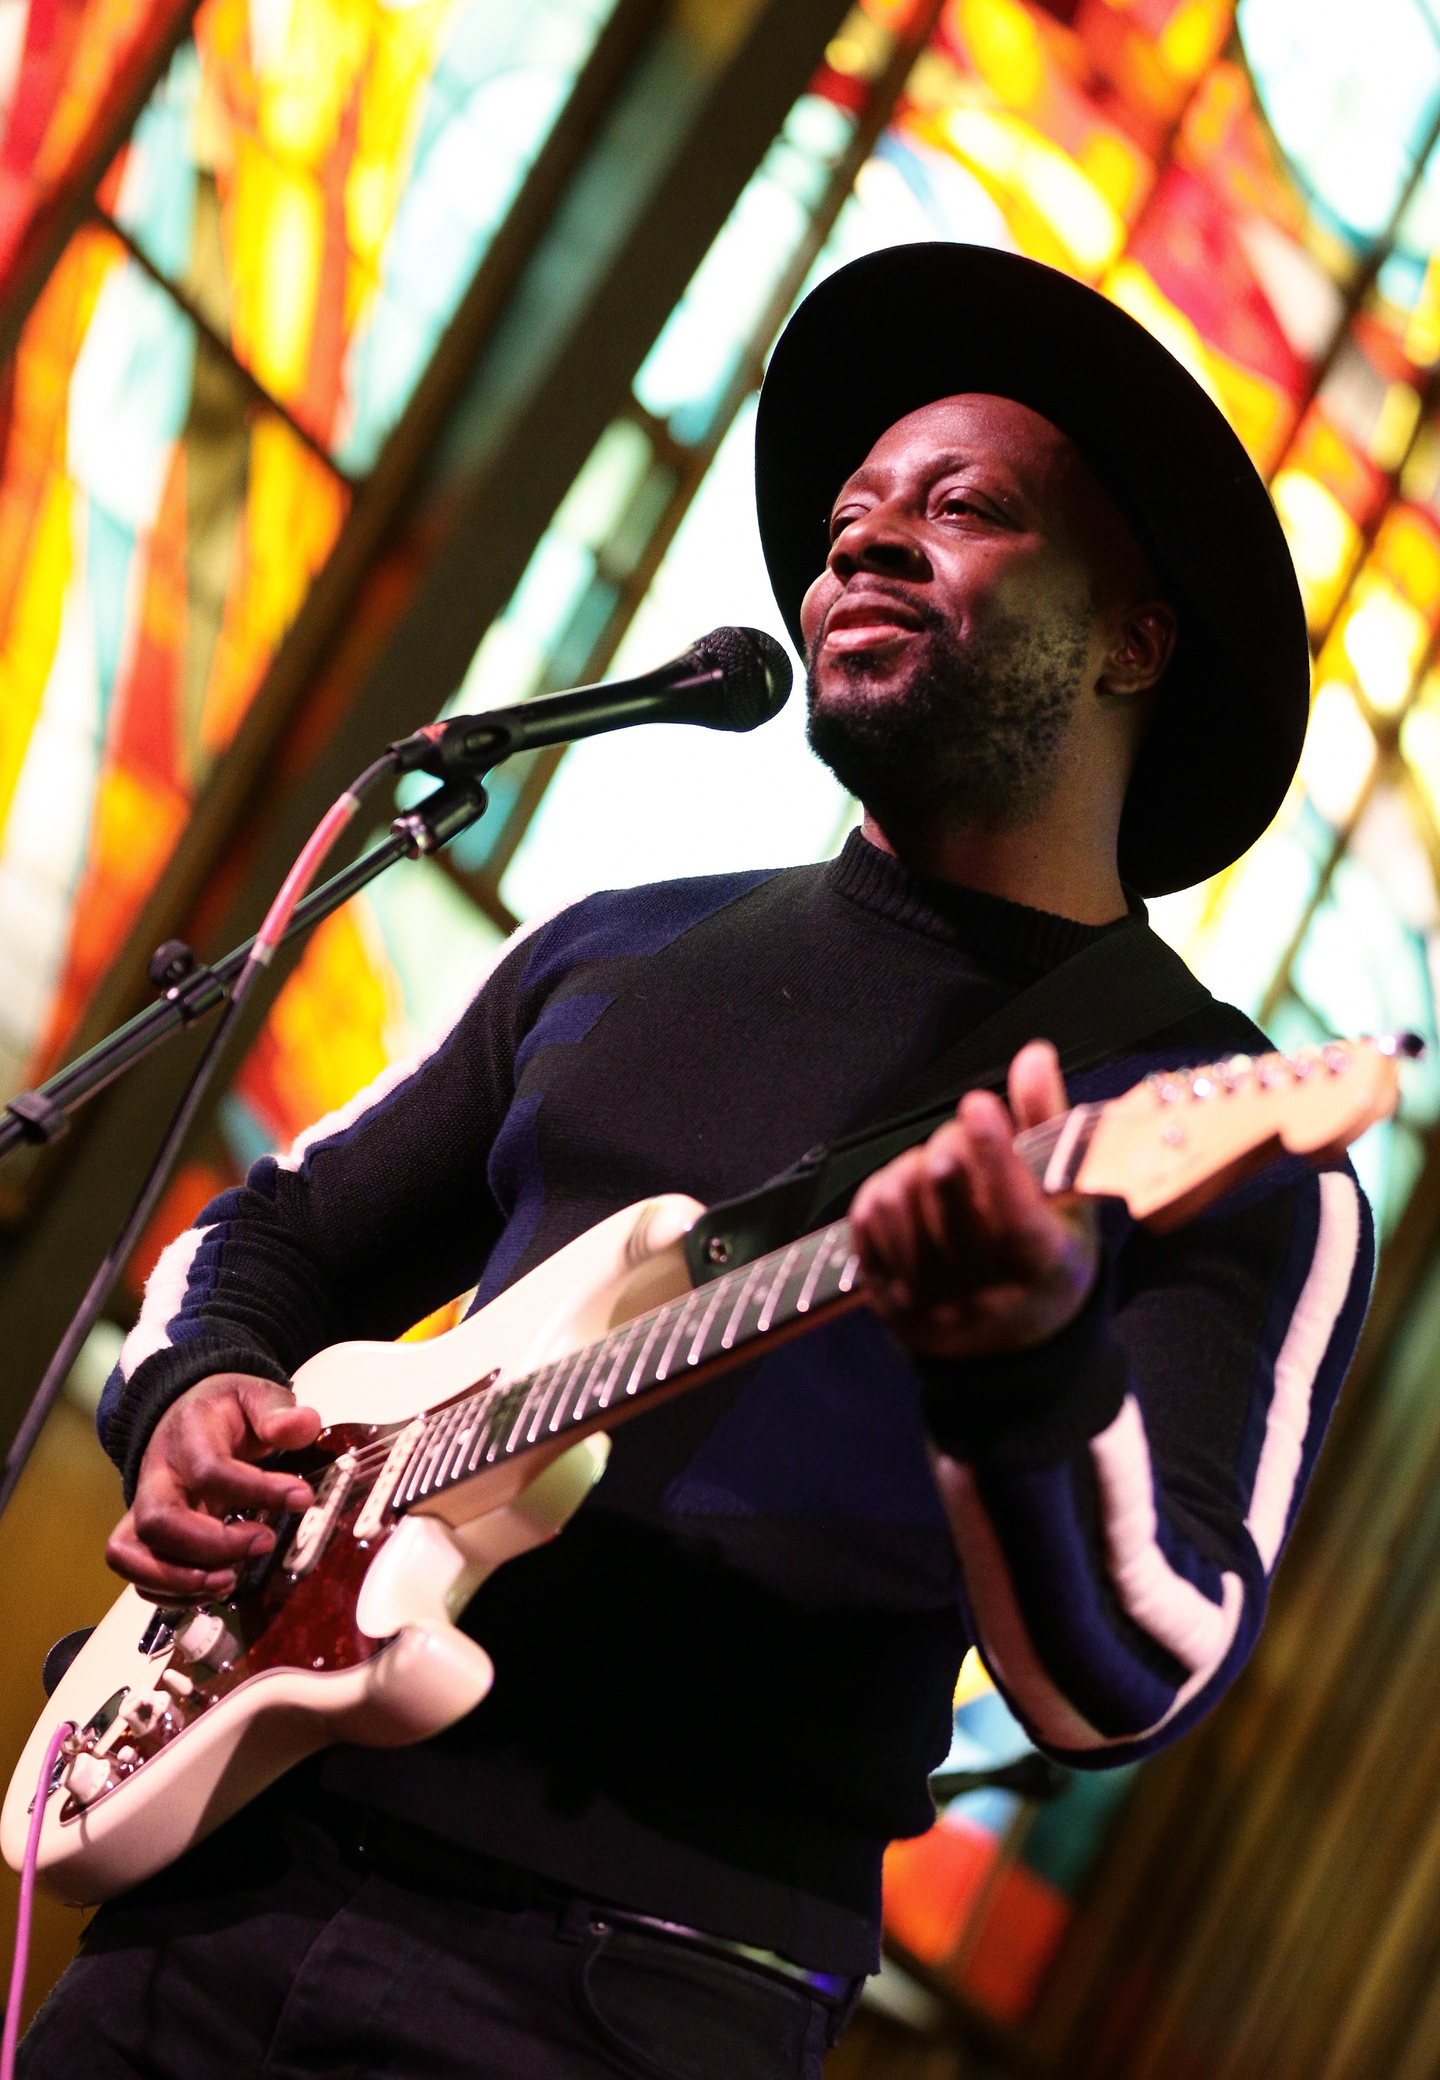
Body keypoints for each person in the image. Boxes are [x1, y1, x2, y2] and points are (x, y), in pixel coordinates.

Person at [21, 244, 1371, 2079]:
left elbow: (1148, 1668)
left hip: (635, 1997)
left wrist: (1022, 1368)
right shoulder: (611, 943)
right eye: (845, 519)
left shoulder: (1218, 1131)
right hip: (223, 1889)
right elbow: (267, 1231)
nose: (863, 545)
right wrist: (197, 1393)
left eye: (962, 507)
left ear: (1138, 638)